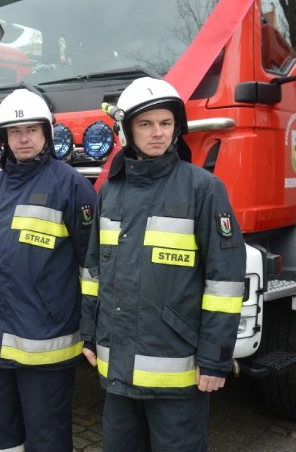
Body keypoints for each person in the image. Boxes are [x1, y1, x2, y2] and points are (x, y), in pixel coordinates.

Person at [80, 78, 246, 450]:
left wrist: (216, 359)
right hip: (117, 369)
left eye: (166, 123)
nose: (157, 133)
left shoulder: (203, 188)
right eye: (146, 124)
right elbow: (94, 270)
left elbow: (225, 282)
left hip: (177, 372)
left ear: (177, 128)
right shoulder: (110, 190)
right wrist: (88, 333)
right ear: (127, 131)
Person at [0, 89, 97, 451]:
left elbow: (91, 264)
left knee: (46, 436)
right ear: (4, 138)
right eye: (15, 132)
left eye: (31, 129)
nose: (23, 138)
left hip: (46, 340)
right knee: (0, 432)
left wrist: (91, 326)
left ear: (46, 133)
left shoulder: (71, 184)